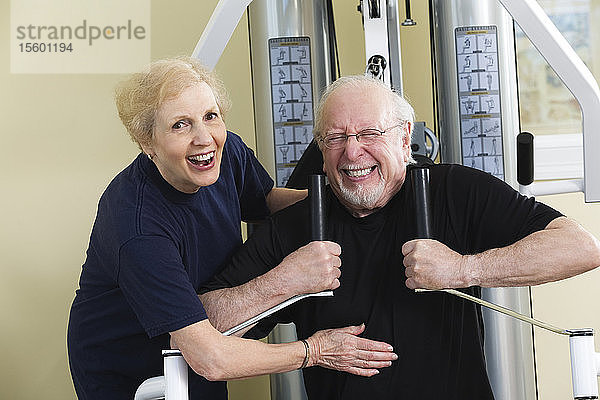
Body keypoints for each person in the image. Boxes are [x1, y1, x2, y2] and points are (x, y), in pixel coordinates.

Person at [198, 75, 600, 399]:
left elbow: (580, 247)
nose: (352, 153)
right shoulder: (299, 227)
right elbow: (201, 323)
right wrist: (282, 283)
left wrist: (462, 268)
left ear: (405, 137)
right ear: (321, 149)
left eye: (369, 133)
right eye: (335, 138)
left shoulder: (454, 191)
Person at [66, 60, 398, 400]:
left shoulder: (222, 154)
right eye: (180, 125)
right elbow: (211, 359)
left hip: (200, 331)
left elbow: (266, 200)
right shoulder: (136, 224)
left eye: (210, 116)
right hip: (130, 366)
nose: (204, 138)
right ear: (146, 142)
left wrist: (350, 190)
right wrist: (316, 350)